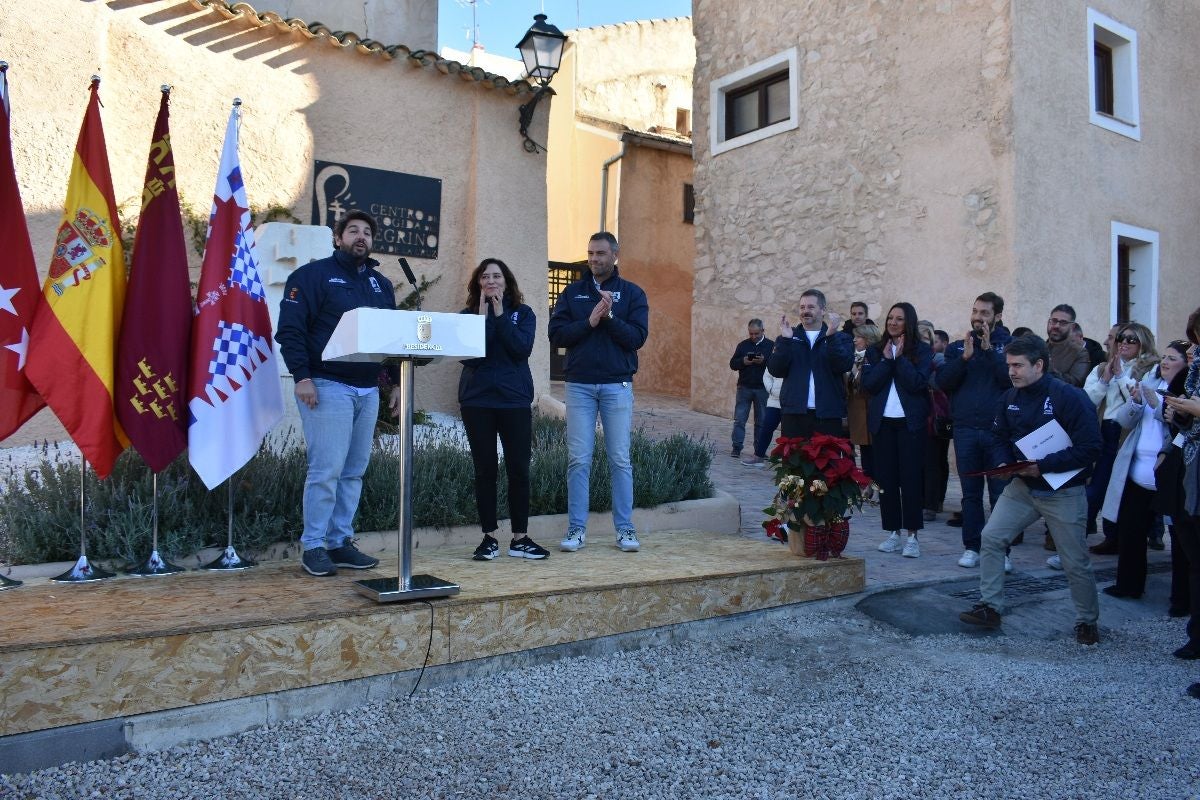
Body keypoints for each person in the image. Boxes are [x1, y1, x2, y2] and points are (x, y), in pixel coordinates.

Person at [959, 334, 1103, 645]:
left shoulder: (1070, 398)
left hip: (1063, 490)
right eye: (1009, 364)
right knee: (991, 538)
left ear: (1039, 365)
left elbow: (1092, 447)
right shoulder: (1009, 397)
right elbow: (998, 438)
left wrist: (1045, 465)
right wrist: (1002, 465)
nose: (1011, 371)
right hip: (1023, 486)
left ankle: (1087, 621)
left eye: (1018, 365)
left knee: (1074, 560)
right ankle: (990, 607)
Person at [278, 210, 397, 577]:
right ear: (338, 238)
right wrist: (302, 377)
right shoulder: (311, 277)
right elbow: (291, 331)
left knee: (353, 472)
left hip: (368, 389)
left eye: (367, 232)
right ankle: (314, 545)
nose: (361, 237)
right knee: (326, 470)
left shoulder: (381, 284)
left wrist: (393, 382)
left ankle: (339, 542)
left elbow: (390, 336)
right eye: (353, 231)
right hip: (327, 385)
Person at [548, 232, 649, 554]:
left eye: (601, 253)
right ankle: (576, 529)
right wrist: (590, 321)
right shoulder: (573, 293)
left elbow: (637, 338)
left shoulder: (632, 294)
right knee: (578, 460)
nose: (594, 259)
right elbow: (557, 333)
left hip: (617, 385)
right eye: (590, 253)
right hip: (579, 385)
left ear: (615, 255)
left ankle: (626, 529)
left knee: (620, 459)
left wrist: (610, 318)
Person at [458, 258, 548, 562]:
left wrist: (499, 315)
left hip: (514, 401)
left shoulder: (523, 315)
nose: (491, 281)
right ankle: (488, 538)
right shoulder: (467, 316)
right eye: (485, 276)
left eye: (497, 276)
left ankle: (520, 538)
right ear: (478, 283)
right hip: (477, 402)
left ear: (507, 282)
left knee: (519, 470)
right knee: (485, 471)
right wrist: (482, 319)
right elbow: (471, 358)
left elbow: (520, 349)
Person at [1098, 340, 1187, 597]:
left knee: (1180, 539)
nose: (1166, 362)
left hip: (1168, 473)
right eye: (1165, 357)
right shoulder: (1151, 381)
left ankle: (1182, 598)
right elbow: (1124, 420)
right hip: (1137, 470)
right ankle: (1129, 586)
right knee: (1131, 532)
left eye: (1173, 358)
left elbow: (1180, 428)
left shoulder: (1187, 391)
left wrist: (1157, 406)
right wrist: (1137, 403)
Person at [937, 292, 1013, 570]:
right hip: (966, 429)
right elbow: (942, 382)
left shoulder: (1009, 346)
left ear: (998, 316)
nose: (978, 317)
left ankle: (1001, 552)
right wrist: (964, 359)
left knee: (999, 494)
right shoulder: (958, 347)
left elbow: (1009, 380)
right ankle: (972, 547)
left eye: (984, 313)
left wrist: (990, 349)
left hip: (997, 433)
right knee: (970, 494)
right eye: (975, 311)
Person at [862, 302, 933, 558]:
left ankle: (913, 535)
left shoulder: (923, 351)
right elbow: (868, 384)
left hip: (910, 424)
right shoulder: (875, 351)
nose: (893, 322)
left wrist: (900, 359)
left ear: (909, 322)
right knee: (886, 481)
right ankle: (893, 532)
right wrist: (887, 360)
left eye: (899, 319)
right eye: (890, 318)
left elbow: (917, 383)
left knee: (911, 480)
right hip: (883, 424)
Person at [1085, 322, 1159, 553]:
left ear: (1143, 343)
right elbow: (1086, 402)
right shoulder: (1101, 368)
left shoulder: (1151, 369)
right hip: (1104, 431)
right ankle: (1100, 535)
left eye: (1131, 339)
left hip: (1129, 433)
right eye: (1121, 339)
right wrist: (1106, 380)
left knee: (1121, 487)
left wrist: (1120, 377)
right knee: (1098, 486)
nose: (1124, 343)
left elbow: (1141, 399)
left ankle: (1119, 537)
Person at [1163, 307, 1200, 668]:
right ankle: (1196, 635)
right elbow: (1180, 423)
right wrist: (1179, 414)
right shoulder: (1192, 373)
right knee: (1194, 557)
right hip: (1190, 464)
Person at [767, 289, 854, 438]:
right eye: (802, 307)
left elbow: (843, 365)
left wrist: (831, 338)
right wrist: (786, 341)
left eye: (811, 307)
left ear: (823, 310)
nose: (805, 311)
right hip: (794, 414)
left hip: (828, 414)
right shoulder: (788, 337)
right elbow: (776, 370)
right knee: (794, 461)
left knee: (826, 461)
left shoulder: (840, 338)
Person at [728, 318, 773, 461]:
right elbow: (732, 364)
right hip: (744, 388)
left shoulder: (771, 345)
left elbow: (777, 366)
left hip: (762, 389)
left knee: (761, 422)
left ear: (763, 331)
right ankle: (736, 447)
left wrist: (764, 361)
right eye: (751, 334)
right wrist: (743, 361)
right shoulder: (743, 345)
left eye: (756, 334)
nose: (753, 337)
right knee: (739, 420)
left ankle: (759, 451)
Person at [921, 321, 951, 522]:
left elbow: (939, 382)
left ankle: (932, 503)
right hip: (918, 416)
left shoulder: (938, 359)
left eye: (924, 337)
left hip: (935, 416)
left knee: (934, 461)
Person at [847, 323, 881, 480]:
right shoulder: (854, 357)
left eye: (858, 337)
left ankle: (876, 482)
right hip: (857, 410)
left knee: (875, 450)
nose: (854, 340)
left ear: (868, 339)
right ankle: (868, 482)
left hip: (870, 409)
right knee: (865, 449)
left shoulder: (875, 358)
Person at [1045, 304, 1091, 387]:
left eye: (1063, 323)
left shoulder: (1079, 353)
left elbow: (1074, 383)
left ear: (1072, 327)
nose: (1056, 326)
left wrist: (1048, 366)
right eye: (1054, 321)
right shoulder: (1039, 348)